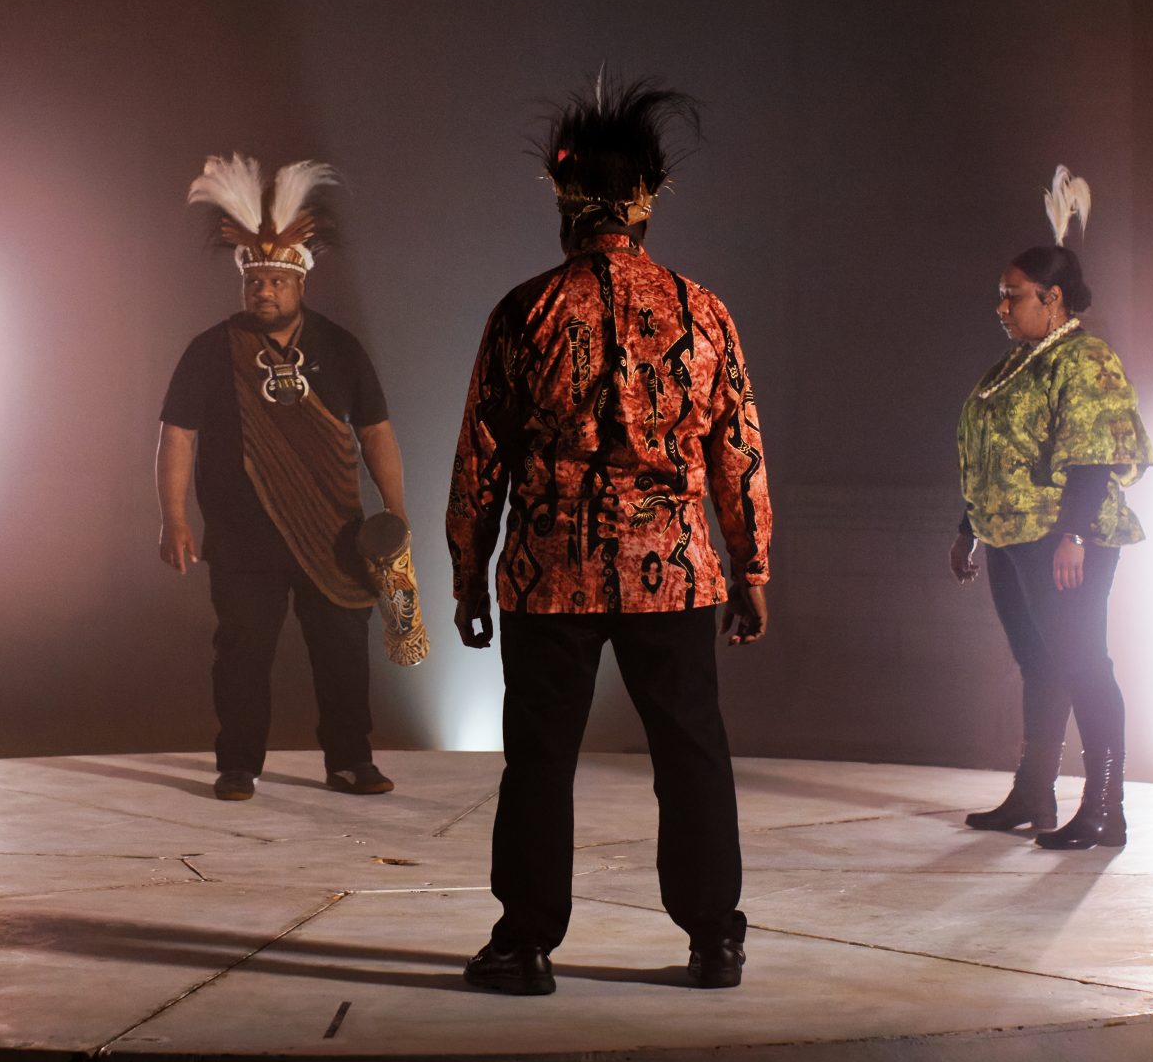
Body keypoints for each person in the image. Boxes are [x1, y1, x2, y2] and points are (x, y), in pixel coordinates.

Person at [448, 79, 771, 995]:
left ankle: (525, 943)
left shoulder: (525, 312)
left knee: (539, 759)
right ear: (643, 205)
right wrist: (750, 565)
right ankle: (714, 939)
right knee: (692, 752)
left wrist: (469, 573)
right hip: (675, 572)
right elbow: (737, 446)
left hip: (550, 571)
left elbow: (481, 455)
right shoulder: (702, 311)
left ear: (568, 206)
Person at [157, 154, 408, 801]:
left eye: (275, 280)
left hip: (335, 532)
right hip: (242, 539)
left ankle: (350, 759)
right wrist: (174, 517)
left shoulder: (341, 348)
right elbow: (177, 433)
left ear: (300, 283)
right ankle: (238, 763)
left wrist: (395, 513)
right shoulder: (211, 350)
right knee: (242, 653)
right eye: (254, 281)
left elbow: (376, 432)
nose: (262, 291)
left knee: (343, 650)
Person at [951, 167, 1152, 849]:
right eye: (1001, 296)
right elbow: (992, 452)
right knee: (1038, 662)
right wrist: (969, 529)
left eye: (1014, 296)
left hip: (1066, 537)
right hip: (1012, 536)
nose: (1001, 307)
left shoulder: (1085, 359)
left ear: (1053, 297)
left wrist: (1075, 535)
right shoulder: (1016, 363)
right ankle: (1034, 789)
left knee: (1083, 662)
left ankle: (1105, 807)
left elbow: (1094, 454)